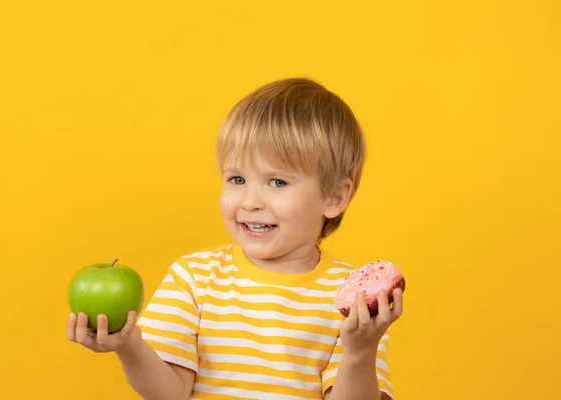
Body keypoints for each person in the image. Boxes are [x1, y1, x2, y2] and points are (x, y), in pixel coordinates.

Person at [67, 77, 404, 400]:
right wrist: (130, 345)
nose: (250, 202)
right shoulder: (193, 278)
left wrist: (360, 352)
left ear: (334, 197)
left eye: (277, 182)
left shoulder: (351, 303)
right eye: (237, 178)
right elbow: (168, 392)